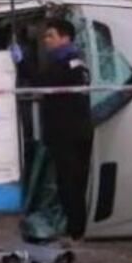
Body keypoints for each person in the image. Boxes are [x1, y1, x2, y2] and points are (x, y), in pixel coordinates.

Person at [12, 18, 93, 241]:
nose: (46, 41)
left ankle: (76, 231)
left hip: (69, 132)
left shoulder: (69, 63)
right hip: (72, 131)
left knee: (71, 183)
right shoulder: (71, 61)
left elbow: (42, 82)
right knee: (70, 182)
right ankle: (75, 228)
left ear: (65, 38)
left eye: (51, 36)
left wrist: (21, 62)